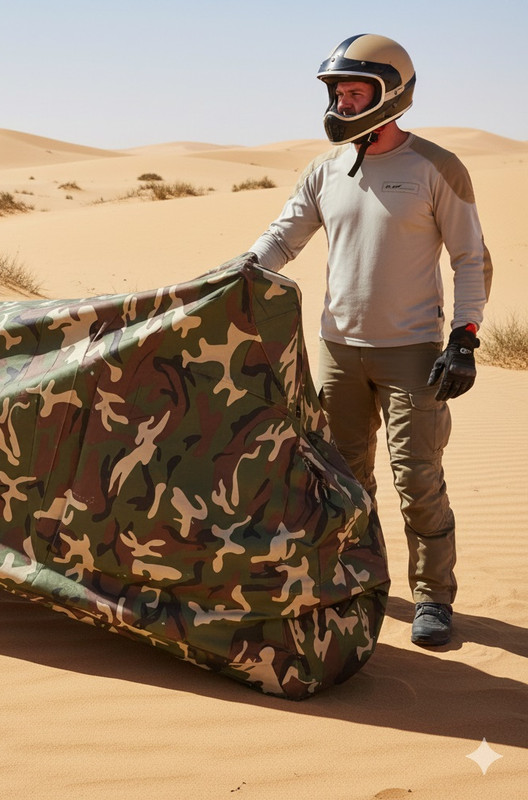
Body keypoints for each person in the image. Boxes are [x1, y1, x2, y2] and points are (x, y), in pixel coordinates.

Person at [247, 33, 492, 646]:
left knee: (418, 479)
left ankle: (433, 596)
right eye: (338, 93)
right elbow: (281, 239)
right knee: (344, 481)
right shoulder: (324, 170)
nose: (343, 104)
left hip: (414, 353)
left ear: (391, 93)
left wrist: (464, 337)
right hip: (338, 352)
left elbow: (471, 257)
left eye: (356, 93)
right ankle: (361, 580)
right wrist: (236, 275)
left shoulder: (435, 166)